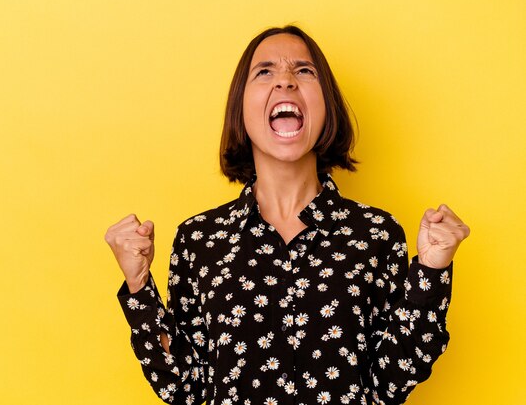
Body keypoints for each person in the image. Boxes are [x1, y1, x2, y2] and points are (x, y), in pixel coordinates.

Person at [105, 25, 470, 405]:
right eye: (265, 72)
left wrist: (431, 272)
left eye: (304, 71)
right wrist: (137, 286)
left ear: (326, 103)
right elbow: (185, 387)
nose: (285, 82)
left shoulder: (376, 234)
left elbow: (389, 381)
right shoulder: (199, 241)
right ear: (240, 108)